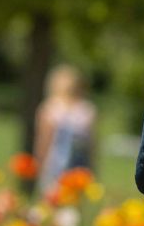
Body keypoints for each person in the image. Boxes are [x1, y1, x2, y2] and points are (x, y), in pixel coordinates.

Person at [33, 64, 98, 192]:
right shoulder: (87, 111)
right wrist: (94, 168)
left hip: (54, 167)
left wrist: (39, 165)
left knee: (51, 203)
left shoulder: (50, 108)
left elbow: (43, 142)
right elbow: (92, 145)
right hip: (80, 169)